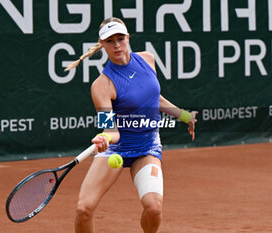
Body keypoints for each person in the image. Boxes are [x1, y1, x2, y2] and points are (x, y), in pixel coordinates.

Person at [65, 17, 198, 233]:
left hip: (146, 147)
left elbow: (154, 98)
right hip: (116, 148)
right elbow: (111, 131)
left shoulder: (148, 59)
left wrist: (184, 116)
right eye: (110, 41)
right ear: (102, 44)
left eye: (120, 38)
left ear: (128, 37)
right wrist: (105, 138)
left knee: (154, 208)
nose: (117, 45)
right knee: (83, 209)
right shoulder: (101, 86)